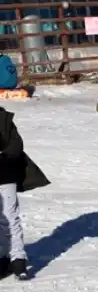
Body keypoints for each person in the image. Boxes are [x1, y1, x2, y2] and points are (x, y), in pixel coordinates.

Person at [0, 106, 50, 280]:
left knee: (9, 217)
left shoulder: (3, 118)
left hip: (4, 174)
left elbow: (16, 144)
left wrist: (4, 155)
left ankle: (18, 259)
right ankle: (3, 257)